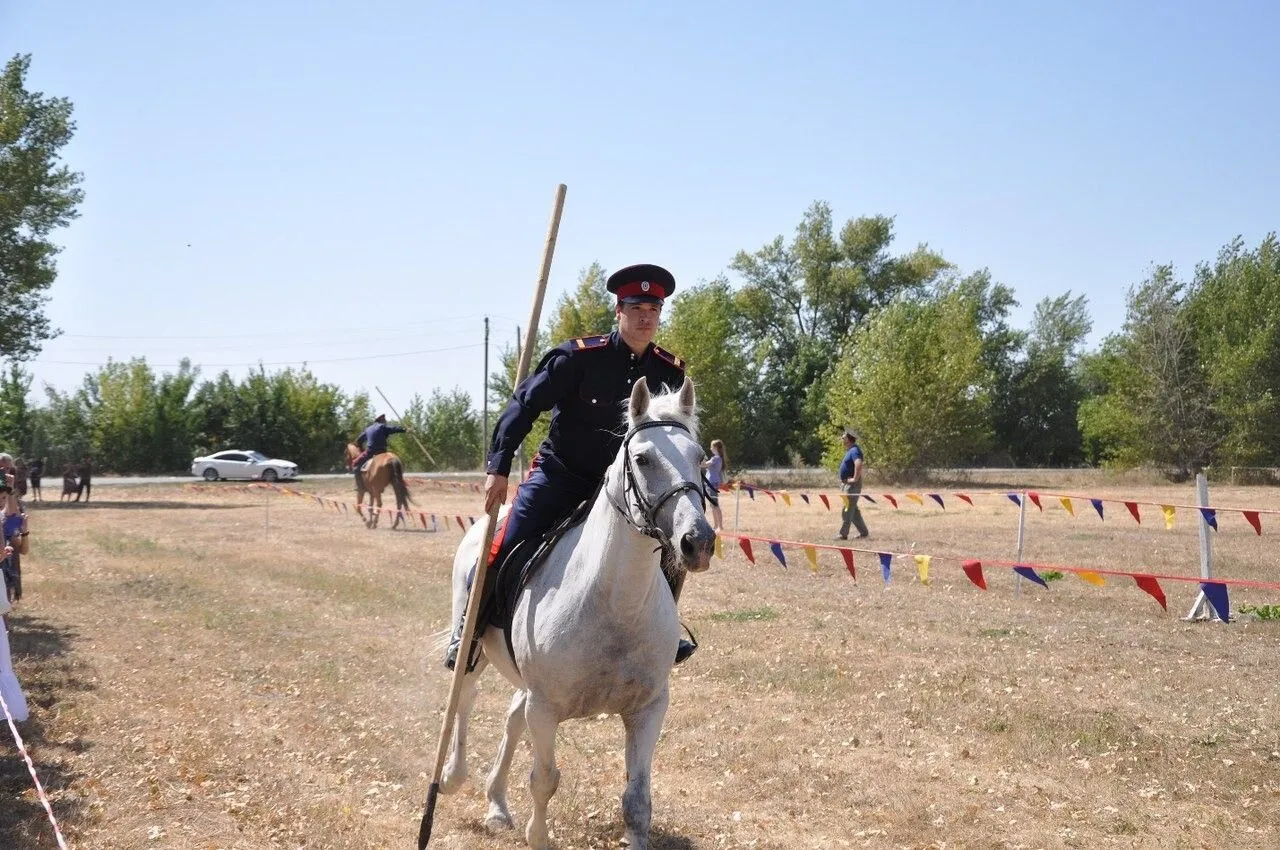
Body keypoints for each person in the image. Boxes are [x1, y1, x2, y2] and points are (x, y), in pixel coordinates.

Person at [446, 262, 696, 669]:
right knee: (505, 543)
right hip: (561, 476)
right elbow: (524, 404)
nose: (645, 318)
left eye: (653, 310)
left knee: (672, 547)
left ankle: (665, 633)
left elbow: (675, 436)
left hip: (625, 489)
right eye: (636, 308)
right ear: (618, 310)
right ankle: (469, 628)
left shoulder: (668, 371)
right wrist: (499, 465)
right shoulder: (577, 358)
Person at [351, 414, 407, 487]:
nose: (385, 421)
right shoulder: (382, 426)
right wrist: (405, 430)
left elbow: (359, 440)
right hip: (382, 451)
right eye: (384, 420)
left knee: (355, 465)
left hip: (370, 452)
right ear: (381, 420)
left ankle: (360, 486)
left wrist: (362, 449)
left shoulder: (368, 429)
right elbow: (394, 429)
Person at [834, 428, 869, 540]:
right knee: (853, 512)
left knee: (847, 509)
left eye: (844, 436)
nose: (842, 437)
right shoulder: (851, 450)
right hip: (848, 484)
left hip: (852, 485)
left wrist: (854, 479)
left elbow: (858, 463)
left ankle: (843, 534)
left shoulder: (854, 450)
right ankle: (864, 532)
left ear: (849, 439)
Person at [701, 439, 727, 531]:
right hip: (712, 482)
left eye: (712, 447)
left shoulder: (715, 458)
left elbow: (704, 465)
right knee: (713, 505)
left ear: (715, 447)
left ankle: (720, 526)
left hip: (712, 482)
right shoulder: (718, 458)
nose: (710, 448)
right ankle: (716, 525)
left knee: (715, 505)